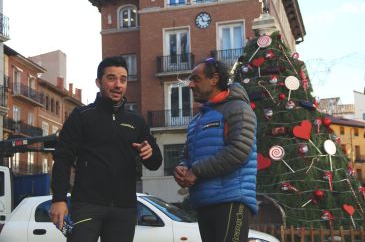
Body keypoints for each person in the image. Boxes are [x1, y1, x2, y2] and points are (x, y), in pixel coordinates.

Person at [50, 56, 162, 242]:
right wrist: (59, 199)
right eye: (111, 78)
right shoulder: (81, 116)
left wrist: (149, 153)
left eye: (123, 79)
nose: (118, 85)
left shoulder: (136, 122)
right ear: (98, 82)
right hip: (87, 204)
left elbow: (155, 162)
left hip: (124, 208)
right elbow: (62, 158)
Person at [174, 58, 258, 242]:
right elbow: (186, 155)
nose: (191, 85)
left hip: (232, 201)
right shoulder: (198, 119)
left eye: (196, 79)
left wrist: (196, 170)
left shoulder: (238, 108)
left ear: (214, 79)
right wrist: (181, 167)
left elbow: (238, 152)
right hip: (205, 202)